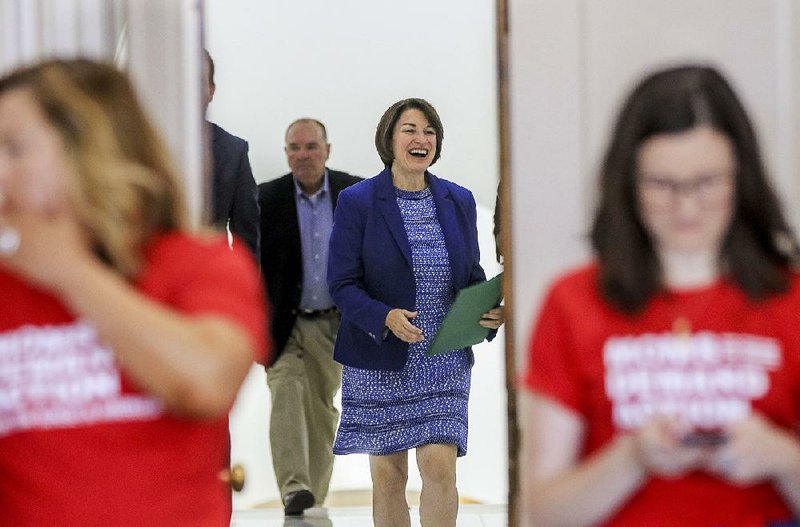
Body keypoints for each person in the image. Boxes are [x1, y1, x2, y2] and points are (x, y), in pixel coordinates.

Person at [521, 64, 800, 526]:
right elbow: (548, 512)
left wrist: (782, 458)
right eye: (662, 185)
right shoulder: (572, 301)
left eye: (708, 182)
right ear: (628, 183)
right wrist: (631, 459)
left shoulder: (789, 300)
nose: (686, 207)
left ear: (741, 177)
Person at [0, 58, 268, 526]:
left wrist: (69, 270)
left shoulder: (198, 264)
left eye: (14, 148)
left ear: (90, 150)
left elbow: (204, 380)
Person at [327, 98, 504, 527]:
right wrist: (384, 317)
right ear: (389, 139)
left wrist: (487, 310)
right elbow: (342, 284)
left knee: (440, 466)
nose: (420, 139)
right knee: (389, 476)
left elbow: (470, 274)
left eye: (428, 131)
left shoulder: (458, 200)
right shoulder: (359, 201)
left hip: (443, 353)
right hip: (380, 356)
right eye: (409, 129)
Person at [258, 118, 361, 515]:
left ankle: (310, 500)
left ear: (327, 150)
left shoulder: (353, 193)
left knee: (321, 407)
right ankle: (293, 488)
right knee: (285, 388)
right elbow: (250, 260)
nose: (302, 155)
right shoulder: (266, 199)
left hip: (334, 322)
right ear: (286, 153)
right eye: (294, 148)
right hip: (284, 321)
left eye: (311, 147)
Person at [204, 49, 260, 263]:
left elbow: (246, 238)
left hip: (207, 278)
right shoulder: (136, 143)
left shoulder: (232, 151)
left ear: (211, 91)